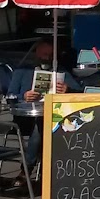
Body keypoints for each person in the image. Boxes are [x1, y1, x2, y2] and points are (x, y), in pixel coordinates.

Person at [7, 38, 82, 186]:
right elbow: (9, 95)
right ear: (36, 54)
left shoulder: (60, 72)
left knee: (44, 125)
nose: (46, 58)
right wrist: (24, 96)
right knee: (39, 127)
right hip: (25, 119)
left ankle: (31, 170)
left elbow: (79, 92)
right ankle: (27, 170)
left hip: (53, 118)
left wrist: (68, 90)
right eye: (43, 54)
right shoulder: (23, 71)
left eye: (49, 55)